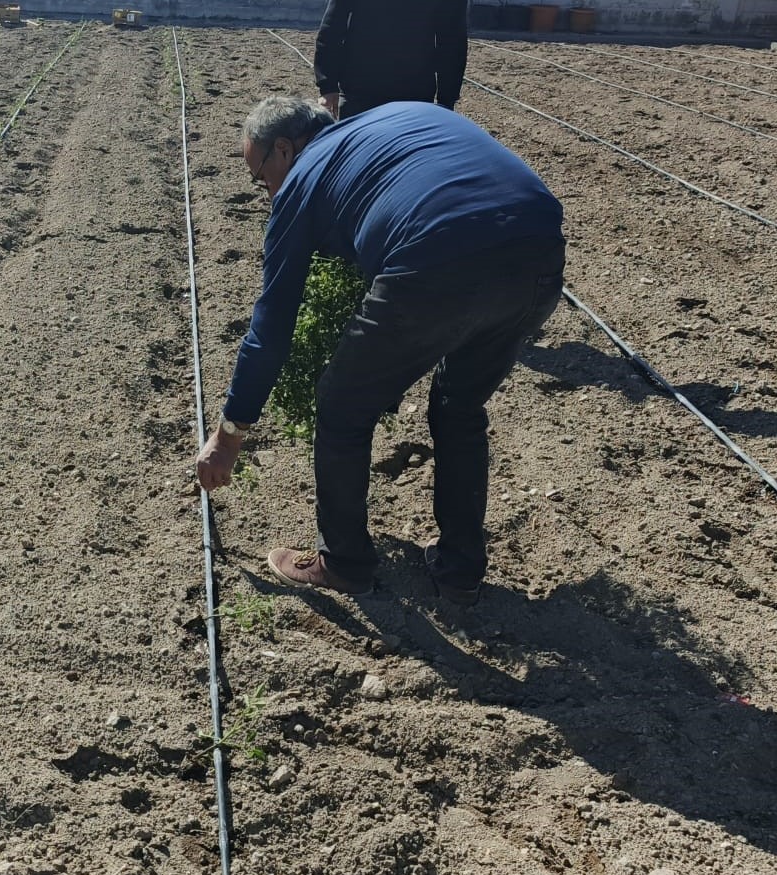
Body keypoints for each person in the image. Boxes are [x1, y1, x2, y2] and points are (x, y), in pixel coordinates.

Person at [195, 97, 565, 604]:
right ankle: (460, 570)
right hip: (539, 249)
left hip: (434, 258)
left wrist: (229, 435)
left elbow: (271, 325)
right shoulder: (395, 117)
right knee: (460, 406)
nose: (267, 193)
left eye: (261, 178)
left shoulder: (301, 182)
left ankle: (343, 563)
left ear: (283, 150)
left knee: (343, 406)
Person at [314, 0, 468, 119]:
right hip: (360, 91)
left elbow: (452, 42)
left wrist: (446, 100)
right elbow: (332, 26)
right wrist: (328, 86)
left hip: (413, 97)